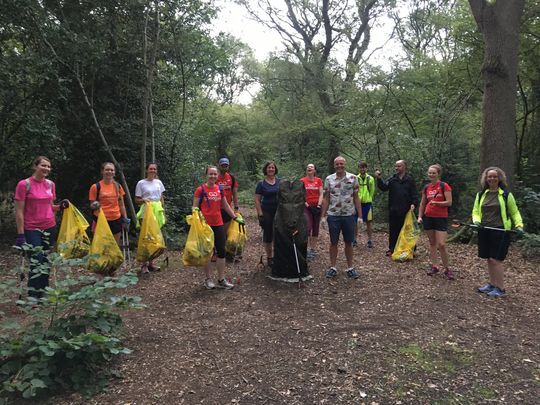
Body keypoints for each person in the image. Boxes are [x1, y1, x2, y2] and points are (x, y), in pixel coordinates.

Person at [14, 156, 67, 299]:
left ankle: (43, 291)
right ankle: (33, 295)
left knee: (46, 260)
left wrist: (60, 207)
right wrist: (21, 234)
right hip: (31, 228)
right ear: (35, 166)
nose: (46, 169)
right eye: (43, 165)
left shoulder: (50, 184)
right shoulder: (24, 184)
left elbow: (50, 206)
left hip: (49, 226)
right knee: (36, 260)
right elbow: (19, 211)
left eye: (49, 167)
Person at [473, 167, 524, 298]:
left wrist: (519, 225)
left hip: (501, 231)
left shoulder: (506, 194)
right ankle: (492, 284)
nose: (492, 179)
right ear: (486, 178)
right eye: (489, 176)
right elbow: (476, 212)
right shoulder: (481, 195)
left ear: (499, 178)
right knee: (489, 259)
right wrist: (477, 221)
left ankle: (500, 288)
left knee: (496, 260)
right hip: (485, 230)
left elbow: (514, 212)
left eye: (494, 176)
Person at [193, 165, 244, 290]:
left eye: (215, 174)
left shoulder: (219, 189)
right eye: (210, 174)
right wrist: (197, 222)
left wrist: (235, 217)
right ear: (206, 175)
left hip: (218, 224)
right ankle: (208, 279)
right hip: (205, 226)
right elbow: (194, 208)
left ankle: (221, 279)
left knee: (221, 251)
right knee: (208, 253)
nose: (213, 176)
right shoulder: (200, 190)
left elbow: (226, 206)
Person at [321, 156, 362, 279]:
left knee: (348, 242)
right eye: (337, 164)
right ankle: (333, 267)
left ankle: (350, 267)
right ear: (334, 165)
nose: (339, 166)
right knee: (333, 242)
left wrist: (360, 216)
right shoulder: (329, 179)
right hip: (333, 215)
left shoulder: (353, 178)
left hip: (348, 215)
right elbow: (326, 198)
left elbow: (356, 197)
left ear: (345, 164)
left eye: (341, 164)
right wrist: (323, 216)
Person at [417, 164, 454, 280]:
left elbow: (449, 202)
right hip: (428, 217)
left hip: (441, 218)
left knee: (442, 244)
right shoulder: (426, 187)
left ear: (438, 174)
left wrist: (437, 203)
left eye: (433, 173)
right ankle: (435, 266)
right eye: (430, 173)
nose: (431, 175)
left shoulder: (444, 186)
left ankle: (447, 268)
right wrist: (420, 216)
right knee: (432, 243)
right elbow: (423, 203)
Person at [374, 160, 418, 256]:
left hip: (406, 210)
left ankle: (411, 249)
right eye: (396, 166)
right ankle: (392, 249)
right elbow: (384, 187)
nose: (397, 168)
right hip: (394, 209)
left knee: (408, 230)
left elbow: (414, 194)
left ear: (404, 167)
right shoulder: (392, 179)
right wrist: (379, 178)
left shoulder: (410, 180)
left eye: (399, 166)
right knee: (393, 230)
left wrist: (414, 204)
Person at [89, 162, 130, 245]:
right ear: (102, 171)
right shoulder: (95, 187)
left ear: (114, 172)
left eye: (112, 170)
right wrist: (95, 205)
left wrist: (125, 218)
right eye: (107, 170)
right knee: (101, 245)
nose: (109, 172)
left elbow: (121, 205)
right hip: (101, 219)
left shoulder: (118, 186)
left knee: (114, 245)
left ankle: (113, 258)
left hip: (116, 219)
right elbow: (92, 204)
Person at [135, 162, 166, 273]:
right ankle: (144, 265)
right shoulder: (141, 183)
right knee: (146, 236)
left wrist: (163, 211)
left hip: (156, 210)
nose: (152, 170)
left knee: (155, 237)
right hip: (146, 211)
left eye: (154, 169)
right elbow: (137, 200)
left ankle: (151, 263)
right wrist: (144, 200)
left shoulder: (158, 182)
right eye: (151, 169)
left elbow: (161, 198)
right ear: (147, 170)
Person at [255, 160, 280, 268]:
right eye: (269, 167)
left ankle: (279, 256)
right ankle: (270, 257)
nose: (271, 169)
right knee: (268, 235)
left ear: (275, 170)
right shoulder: (261, 184)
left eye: (273, 168)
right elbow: (257, 200)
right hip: (266, 211)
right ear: (266, 169)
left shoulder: (280, 182)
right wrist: (260, 214)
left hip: (279, 211)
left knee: (279, 234)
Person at [299, 163, 323, 259]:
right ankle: (307, 248)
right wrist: (307, 205)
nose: (309, 168)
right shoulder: (302, 181)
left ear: (314, 170)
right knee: (307, 227)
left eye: (312, 167)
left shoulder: (318, 180)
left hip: (317, 207)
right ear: (306, 170)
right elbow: (300, 194)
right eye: (308, 166)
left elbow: (321, 193)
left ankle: (313, 249)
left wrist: (319, 206)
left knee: (315, 228)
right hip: (307, 207)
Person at [355, 161, 376, 248]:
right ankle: (354, 240)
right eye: (360, 167)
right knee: (355, 222)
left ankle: (370, 240)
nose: (362, 169)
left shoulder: (370, 178)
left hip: (367, 203)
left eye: (363, 167)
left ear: (366, 168)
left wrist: (368, 198)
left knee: (369, 222)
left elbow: (372, 191)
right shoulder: (355, 178)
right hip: (357, 203)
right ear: (358, 168)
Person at [216, 157, 239, 233]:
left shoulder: (231, 178)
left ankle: (223, 243)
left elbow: (235, 193)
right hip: (216, 208)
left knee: (225, 230)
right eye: (222, 165)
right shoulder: (214, 177)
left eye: (226, 165)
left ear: (228, 166)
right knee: (217, 229)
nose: (224, 167)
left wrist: (236, 207)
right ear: (219, 166)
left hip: (227, 208)